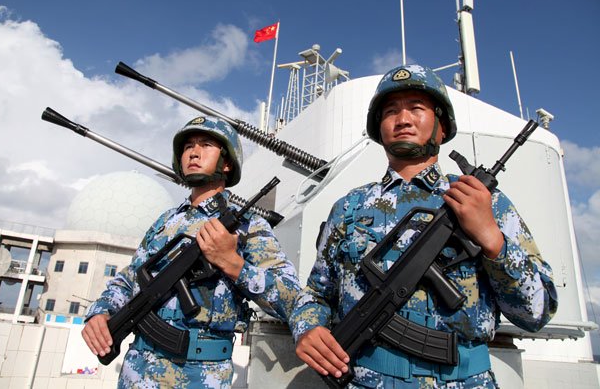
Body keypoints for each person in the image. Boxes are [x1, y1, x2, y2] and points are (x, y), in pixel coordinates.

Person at [289, 64, 558, 388]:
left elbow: (536, 313)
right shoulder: (349, 208)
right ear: (379, 128)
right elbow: (317, 293)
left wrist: (492, 239)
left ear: (442, 127)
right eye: (391, 111)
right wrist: (307, 326)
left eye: (416, 108)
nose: (403, 119)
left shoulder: (484, 201)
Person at [82, 115, 301, 388]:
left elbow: (291, 299)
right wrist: (101, 311)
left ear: (227, 162)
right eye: (188, 147)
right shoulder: (165, 222)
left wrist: (233, 264)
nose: (194, 152)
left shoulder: (249, 227)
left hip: (199, 376)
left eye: (206, 145)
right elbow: (130, 278)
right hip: (136, 372)